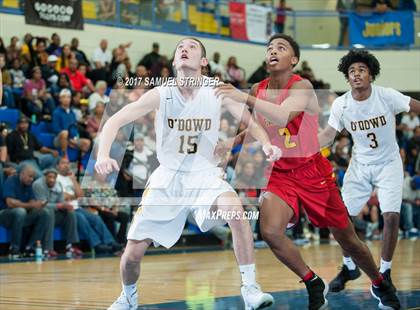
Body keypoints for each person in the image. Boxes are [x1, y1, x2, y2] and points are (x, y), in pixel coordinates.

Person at [216, 34, 400, 309]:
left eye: (281, 47)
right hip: (280, 174)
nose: (273, 51)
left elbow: (280, 116)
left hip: (312, 172)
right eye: (269, 48)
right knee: (270, 231)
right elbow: (259, 127)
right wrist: (232, 142)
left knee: (348, 239)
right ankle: (312, 281)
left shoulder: (302, 86)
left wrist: (240, 95)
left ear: (294, 60)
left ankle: (378, 282)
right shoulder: (258, 89)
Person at [95, 37, 280, 310]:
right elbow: (116, 119)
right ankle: (128, 297)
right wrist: (102, 154)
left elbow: (250, 122)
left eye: (192, 47)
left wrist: (266, 143)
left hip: (204, 174)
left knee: (236, 213)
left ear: (203, 62)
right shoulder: (161, 93)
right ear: (173, 61)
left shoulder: (216, 89)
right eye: (180, 47)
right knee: (132, 255)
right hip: (168, 177)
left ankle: (250, 289)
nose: (185, 49)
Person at [318, 49, 420, 297]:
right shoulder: (341, 104)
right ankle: (350, 266)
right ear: (347, 77)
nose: (356, 74)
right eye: (351, 71)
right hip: (360, 165)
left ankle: (384, 271)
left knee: (392, 216)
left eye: (361, 69)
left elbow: (416, 106)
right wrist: (303, 146)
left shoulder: (386, 96)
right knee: (341, 219)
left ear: (371, 74)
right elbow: (328, 137)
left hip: (388, 163)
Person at [0, 165, 50, 257]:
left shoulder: (28, 184)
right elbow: (10, 203)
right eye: (30, 176)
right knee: (20, 211)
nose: (31, 179)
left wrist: (38, 204)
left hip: (21, 217)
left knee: (44, 213)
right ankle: (14, 249)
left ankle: (30, 247)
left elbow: (32, 201)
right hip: (5, 215)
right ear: (22, 174)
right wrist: (31, 205)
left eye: (33, 177)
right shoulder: (11, 181)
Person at [32, 168, 82, 258]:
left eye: (54, 177)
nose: (52, 179)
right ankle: (48, 248)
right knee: (49, 212)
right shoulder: (38, 185)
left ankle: (71, 245)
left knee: (70, 212)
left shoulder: (58, 185)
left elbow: (61, 202)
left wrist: (66, 206)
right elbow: (42, 205)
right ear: (44, 177)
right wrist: (59, 206)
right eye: (49, 177)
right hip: (39, 215)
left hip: (53, 214)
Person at [52, 89, 91, 158]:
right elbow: (55, 129)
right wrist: (68, 140)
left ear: (70, 99)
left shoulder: (72, 113)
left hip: (71, 138)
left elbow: (74, 127)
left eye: (68, 97)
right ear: (60, 99)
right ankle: (65, 157)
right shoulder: (56, 112)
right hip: (59, 138)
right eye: (64, 97)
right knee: (65, 133)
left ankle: (79, 161)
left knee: (87, 142)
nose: (66, 99)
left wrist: (75, 138)